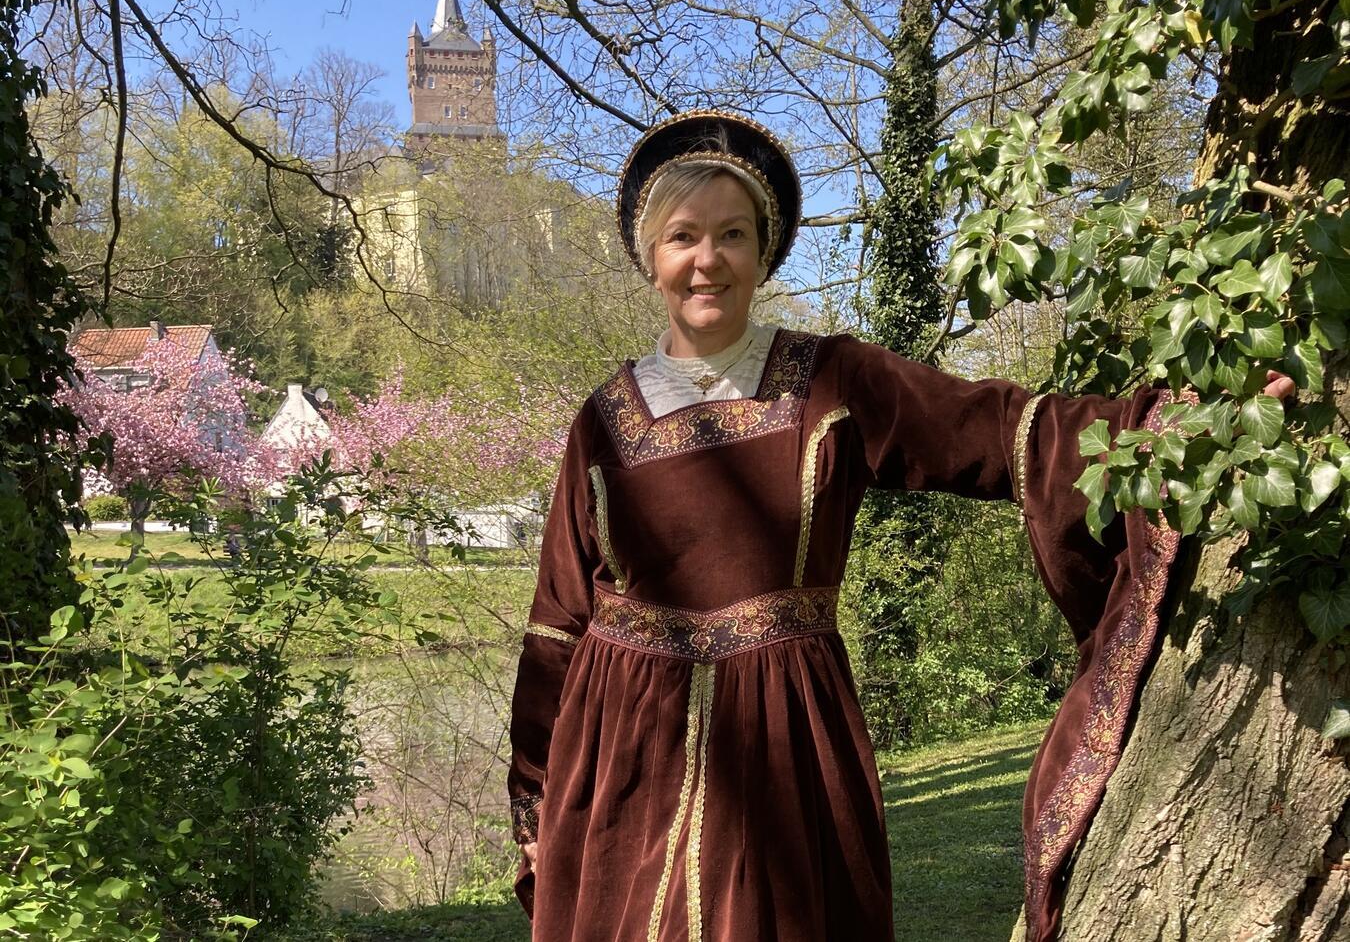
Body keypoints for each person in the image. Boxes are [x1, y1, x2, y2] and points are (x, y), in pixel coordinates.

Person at [507, 110, 1293, 942]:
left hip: (786, 741)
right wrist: (537, 795)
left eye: (732, 234)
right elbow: (557, 621)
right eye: (683, 237)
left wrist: (1175, 428)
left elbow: (998, 428)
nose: (708, 260)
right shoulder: (603, 419)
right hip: (625, 744)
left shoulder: (831, 380)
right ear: (650, 257)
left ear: (763, 251)